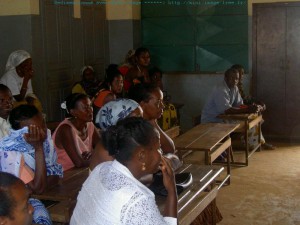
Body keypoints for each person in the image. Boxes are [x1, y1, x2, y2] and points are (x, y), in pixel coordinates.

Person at [71, 117, 177, 225]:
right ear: (141, 155)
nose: (161, 152)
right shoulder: (137, 200)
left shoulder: (102, 169)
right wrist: (172, 191)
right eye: (158, 148)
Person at [0, 104, 63, 225]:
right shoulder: (10, 153)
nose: (43, 131)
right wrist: (38, 148)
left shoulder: (45, 141)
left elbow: (55, 175)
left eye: (43, 124)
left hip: (32, 199)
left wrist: (40, 182)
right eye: (34, 130)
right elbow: (39, 188)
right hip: (11, 207)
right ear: (21, 133)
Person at [231, 64, 275, 150]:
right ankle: (256, 143)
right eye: (240, 74)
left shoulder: (238, 86)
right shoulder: (232, 86)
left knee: (257, 115)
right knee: (254, 117)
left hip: (238, 111)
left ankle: (258, 143)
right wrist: (251, 106)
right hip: (234, 114)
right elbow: (239, 103)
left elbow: (243, 99)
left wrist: (257, 103)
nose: (242, 76)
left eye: (242, 73)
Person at [90, 98, 143, 170]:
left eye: (141, 117)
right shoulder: (107, 149)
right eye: (135, 119)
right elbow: (120, 178)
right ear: (117, 122)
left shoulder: (123, 140)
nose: (142, 122)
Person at [52, 93, 101, 171]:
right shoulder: (66, 129)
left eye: (90, 106)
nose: (90, 110)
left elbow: (103, 147)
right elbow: (79, 163)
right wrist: (97, 156)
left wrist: (93, 154)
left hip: (81, 171)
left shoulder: (89, 124)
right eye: (85, 108)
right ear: (73, 112)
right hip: (64, 175)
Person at [128, 83, 175, 154]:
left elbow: (170, 149)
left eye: (162, 101)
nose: (163, 106)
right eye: (158, 103)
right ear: (142, 105)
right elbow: (169, 150)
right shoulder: (134, 130)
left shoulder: (149, 122)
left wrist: (153, 122)